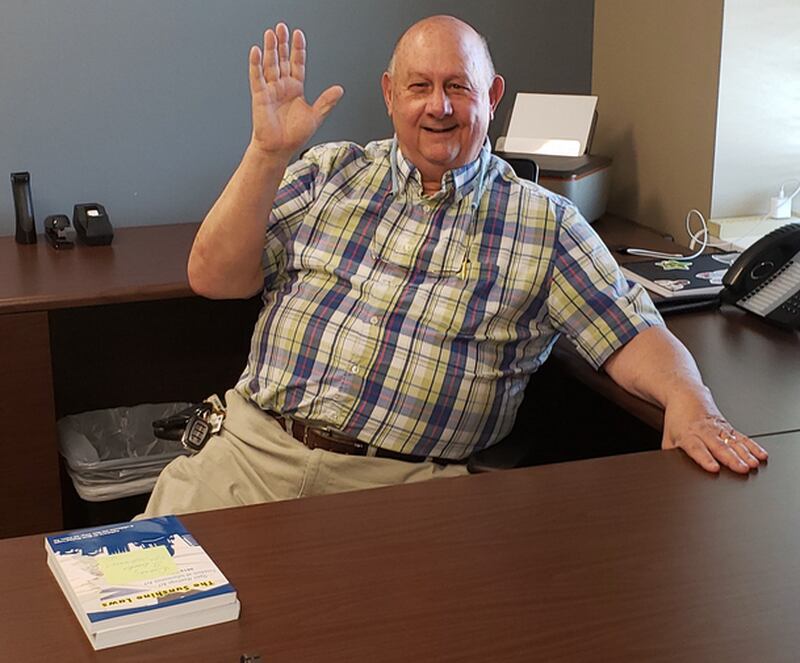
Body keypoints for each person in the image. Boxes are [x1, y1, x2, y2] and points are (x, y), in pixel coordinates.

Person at [142, 15, 766, 517]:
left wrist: (693, 402)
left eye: (458, 86)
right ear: (390, 95)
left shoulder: (544, 223)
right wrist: (267, 152)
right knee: (138, 617)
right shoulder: (330, 171)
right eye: (418, 86)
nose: (437, 106)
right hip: (247, 457)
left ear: (492, 96)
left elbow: (632, 333)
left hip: (400, 492)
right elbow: (214, 277)